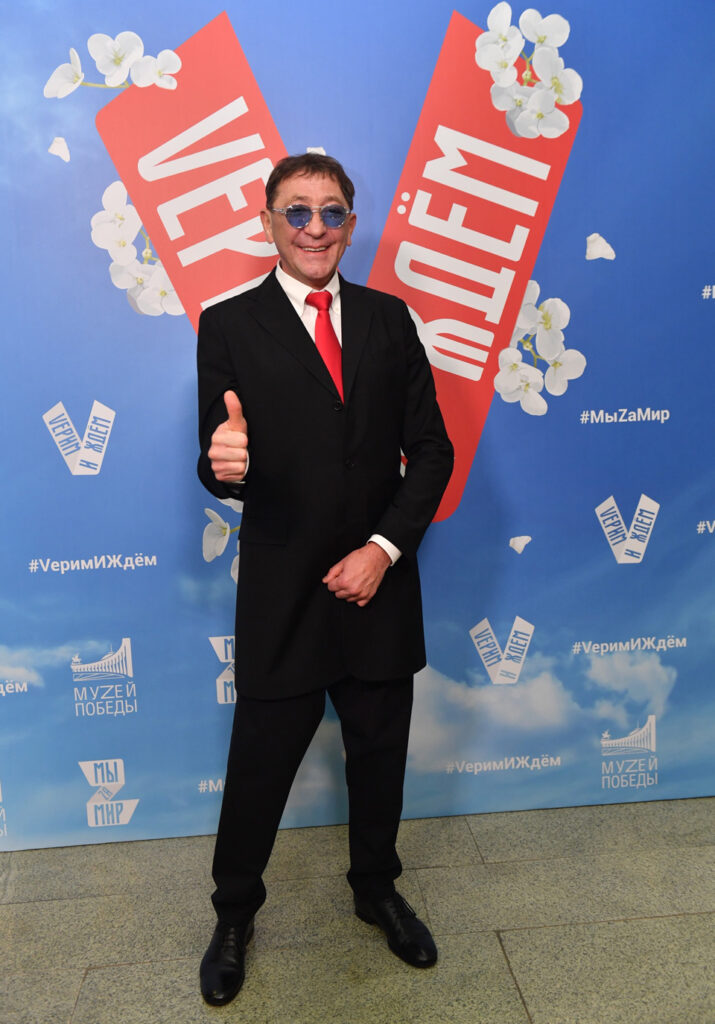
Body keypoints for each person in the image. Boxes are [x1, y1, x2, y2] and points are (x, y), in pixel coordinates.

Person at [196, 153, 453, 1006]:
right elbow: (217, 454)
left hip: (379, 584)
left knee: (378, 755)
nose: (314, 228)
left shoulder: (387, 318)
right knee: (259, 765)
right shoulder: (227, 324)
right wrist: (223, 464)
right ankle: (234, 914)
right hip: (284, 594)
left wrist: (382, 549)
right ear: (267, 221)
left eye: (331, 211)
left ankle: (375, 889)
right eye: (297, 211)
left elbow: (432, 451)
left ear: (350, 222)